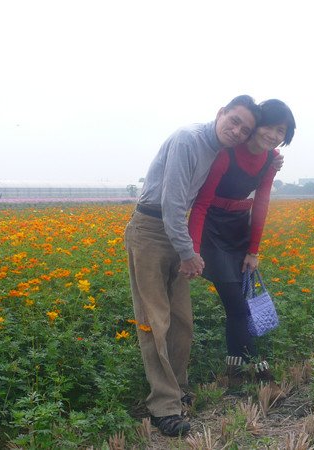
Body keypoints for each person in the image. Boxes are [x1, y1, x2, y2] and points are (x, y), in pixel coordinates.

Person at [124, 95, 261, 437]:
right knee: (155, 321)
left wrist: (272, 158)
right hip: (151, 230)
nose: (237, 131)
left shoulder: (219, 150)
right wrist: (189, 252)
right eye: (234, 121)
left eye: (244, 130)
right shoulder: (189, 139)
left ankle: (178, 386)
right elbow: (171, 201)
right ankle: (163, 406)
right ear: (220, 114)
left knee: (181, 321)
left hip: (175, 230)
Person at [187, 99, 296, 390]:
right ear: (255, 125)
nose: (272, 135)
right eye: (268, 127)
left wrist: (253, 250)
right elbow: (201, 203)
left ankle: (233, 373)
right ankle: (260, 371)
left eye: (281, 130)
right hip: (212, 230)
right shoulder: (227, 155)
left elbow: (261, 202)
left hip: (238, 230)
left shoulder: (270, 160)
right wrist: (192, 250)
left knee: (238, 306)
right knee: (237, 305)